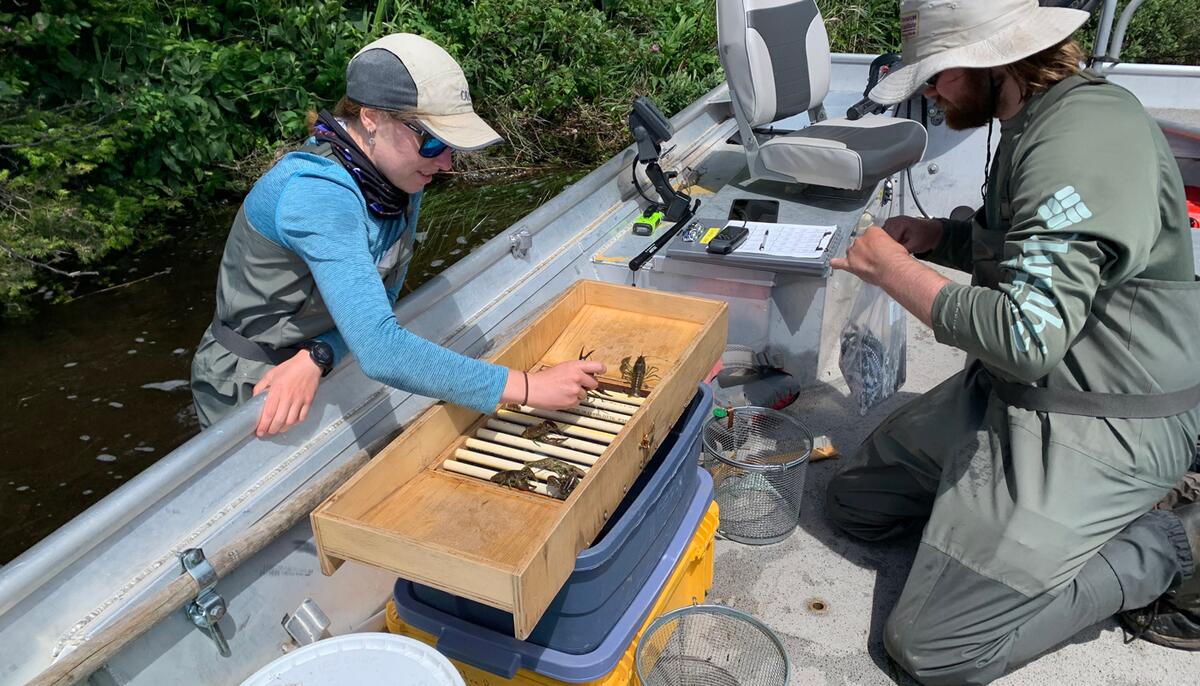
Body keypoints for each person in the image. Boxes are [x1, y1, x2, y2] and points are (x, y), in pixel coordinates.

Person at [825, 1, 1200, 683]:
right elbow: (1032, 257)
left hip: (1103, 418)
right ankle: (1013, 528)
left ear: (995, 61)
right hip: (1006, 390)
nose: (931, 93)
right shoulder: (1026, 118)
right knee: (855, 504)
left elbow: (1027, 335)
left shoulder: (1081, 140)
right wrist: (943, 238)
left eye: (937, 76)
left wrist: (895, 271)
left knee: (933, 650)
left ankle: (1173, 540)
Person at [191, 33, 604, 436]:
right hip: (251, 377)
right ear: (371, 117)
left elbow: (385, 298)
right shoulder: (318, 195)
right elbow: (382, 351)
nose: (445, 163)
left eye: (450, 146)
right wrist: (532, 388)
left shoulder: (397, 182)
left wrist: (321, 353)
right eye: (430, 141)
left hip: (319, 354)